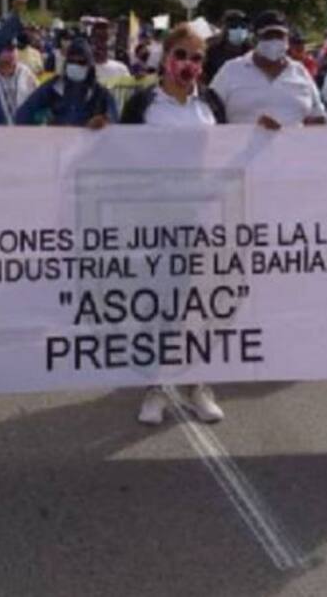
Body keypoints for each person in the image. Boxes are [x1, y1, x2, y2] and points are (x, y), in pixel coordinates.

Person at [120, 24, 228, 424]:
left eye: (196, 58)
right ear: (165, 58)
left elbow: (229, 151)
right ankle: (157, 388)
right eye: (180, 54)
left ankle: (197, 385)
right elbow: (116, 153)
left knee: (199, 304)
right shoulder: (143, 104)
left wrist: (263, 135)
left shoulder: (211, 103)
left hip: (201, 217)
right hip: (153, 218)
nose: (188, 64)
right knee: (159, 303)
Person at [210, 10, 326, 129]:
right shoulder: (231, 70)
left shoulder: (300, 72)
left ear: (287, 40)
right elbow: (209, 113)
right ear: (255, 39)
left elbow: (318, 116)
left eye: (279, 36)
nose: (274, 41)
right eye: (268, 36)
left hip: (294, 141)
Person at [15, 38, 116, 127]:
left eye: (81, 62)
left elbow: (113, 117)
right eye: (71, 61)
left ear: (90, 66)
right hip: (57, 140)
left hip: (88, 141)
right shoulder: (53, 87)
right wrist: (37, 123)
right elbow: (24, 112)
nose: (75, 65)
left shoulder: (99, 93)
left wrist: (104, 121)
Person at [0, 39, 39, 122]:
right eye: (7, 49)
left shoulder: (25, 72)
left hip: (23, 126)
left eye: (14, 49)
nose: (12, 53)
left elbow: (38, 100)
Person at [204, 10, 250, 82]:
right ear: (225, 28)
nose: (239, 29)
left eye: (243, 26)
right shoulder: (212, 52)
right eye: (234, 26)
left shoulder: (251, 53)